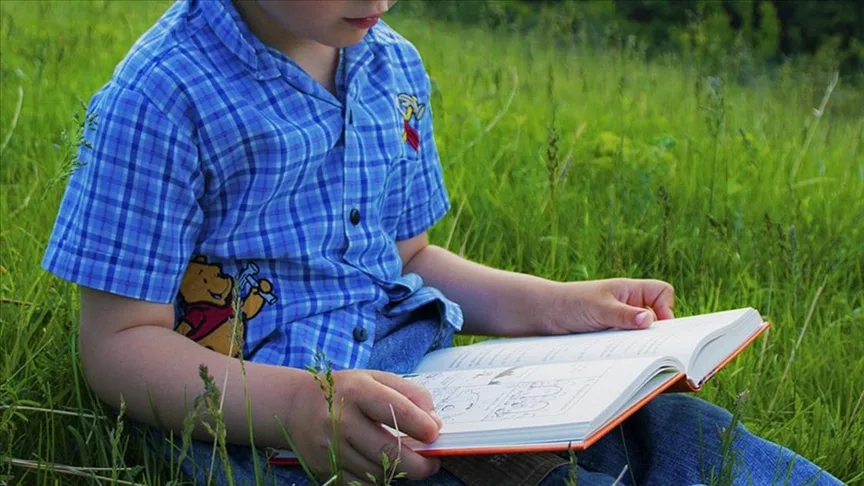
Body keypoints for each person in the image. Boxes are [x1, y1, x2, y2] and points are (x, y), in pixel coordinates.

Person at [42, 0, 841, 484]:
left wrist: (564, 306)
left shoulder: (391, 66)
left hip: (437, 382)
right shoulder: (160, 96)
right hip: (293, 433)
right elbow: (117, 345)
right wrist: (295, 409)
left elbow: (410, 259)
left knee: (678, 435)